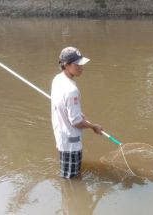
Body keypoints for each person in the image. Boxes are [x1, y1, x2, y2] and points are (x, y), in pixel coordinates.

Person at [51, 46, 103, 179]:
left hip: (61, 134)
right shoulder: (71, 90)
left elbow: (66, 108)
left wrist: (79, 114)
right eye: (78, 65)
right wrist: (93, 127)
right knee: (71, 179)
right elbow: (75, 121)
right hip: (70, 141)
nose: (81, 68)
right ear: (67, 65)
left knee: (68, 173)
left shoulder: (58, 79)